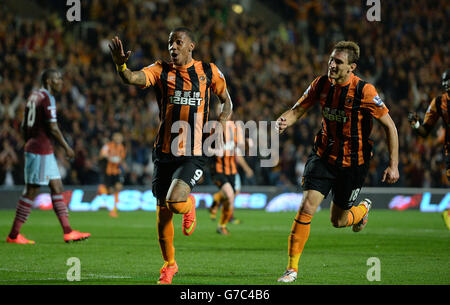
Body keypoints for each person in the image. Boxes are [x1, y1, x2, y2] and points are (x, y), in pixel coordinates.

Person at [109, 27, 233, 284]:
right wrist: (121, 67)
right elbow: (131, 78)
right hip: (163, 152)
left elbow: (226, 100)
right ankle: (169, 265)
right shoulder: (160, 70)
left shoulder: (209, 71)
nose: (173, 47)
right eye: (169, 43)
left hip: (193, 152)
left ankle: (190, 206)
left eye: (178, 42)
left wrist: (222, 120)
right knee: (163, 212)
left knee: (175, 202)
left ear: (191, 46)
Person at [275, 41, 399, 282]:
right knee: (307, 206)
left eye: (338, 62)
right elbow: (298, 110)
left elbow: (390, 127)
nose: (332, 65)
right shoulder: (320, 84)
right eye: (331, 59)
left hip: (354, 163)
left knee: (338, 220)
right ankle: (292, 269)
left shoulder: (365, 91)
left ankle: (362, 211)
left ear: (351, 67)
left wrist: (393, 165)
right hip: (322, 156)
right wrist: (282, 122)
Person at [6, 69, 91, 244]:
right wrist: (67, 147)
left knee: (56, 186)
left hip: (41, 148)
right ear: (50, 81)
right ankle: (14, 235)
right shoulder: (47, 98)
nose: (61, 82)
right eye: (58, 79)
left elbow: (23, 125)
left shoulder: (33, 96)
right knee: (31, 190)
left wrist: (28, 141)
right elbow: (52, 127)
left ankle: (68, 231)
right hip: (41, 149)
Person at [408, 69, 449, 229]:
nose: (447, 84)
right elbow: (424, 131)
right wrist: (416, 124)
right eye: (446, 81)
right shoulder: (439, 102)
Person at [208, 117, 253, 235]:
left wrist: (246, 167)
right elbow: (204, 148)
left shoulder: (235, 128)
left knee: (231, 197)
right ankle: (221, 223)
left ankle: (220, 218)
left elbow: (237, 151)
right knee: (229, 195)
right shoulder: (212, 128)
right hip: (218, 170)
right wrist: (213, 151)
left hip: (232, 171)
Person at [99, 132, 126, 217]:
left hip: (117, 171)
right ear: (114, 139)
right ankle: (102, 191)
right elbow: (102, 154)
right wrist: (109, 157)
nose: (119, 140)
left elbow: (121, 158)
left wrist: (118, 160)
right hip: (108, 171)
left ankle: (114, 209)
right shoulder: (108, 145)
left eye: (120, 138)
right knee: (110, 191)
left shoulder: (121, 147)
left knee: (118, 187)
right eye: (117, 138)